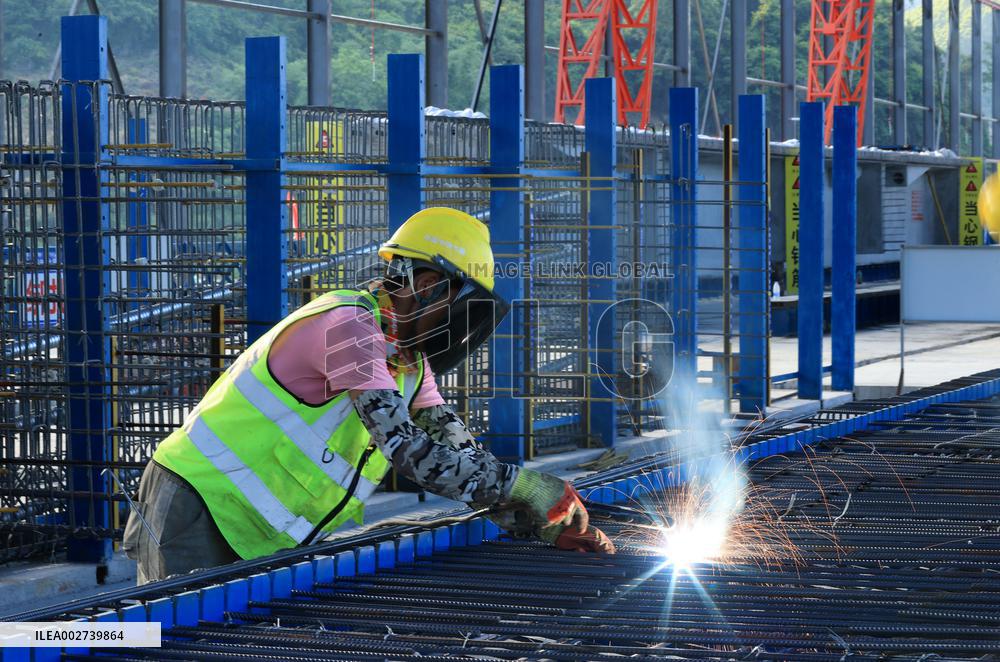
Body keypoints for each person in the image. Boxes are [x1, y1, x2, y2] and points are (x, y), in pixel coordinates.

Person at [123, 207, 614, 584]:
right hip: (196, 502)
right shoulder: (349, 327)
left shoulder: (409, 363)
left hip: (257, 527)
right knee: (164, 641)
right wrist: (523, 485)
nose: (457, 326)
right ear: (425, 285)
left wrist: (535, 518)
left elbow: (458, 451)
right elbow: (409, 452)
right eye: (456, 307)